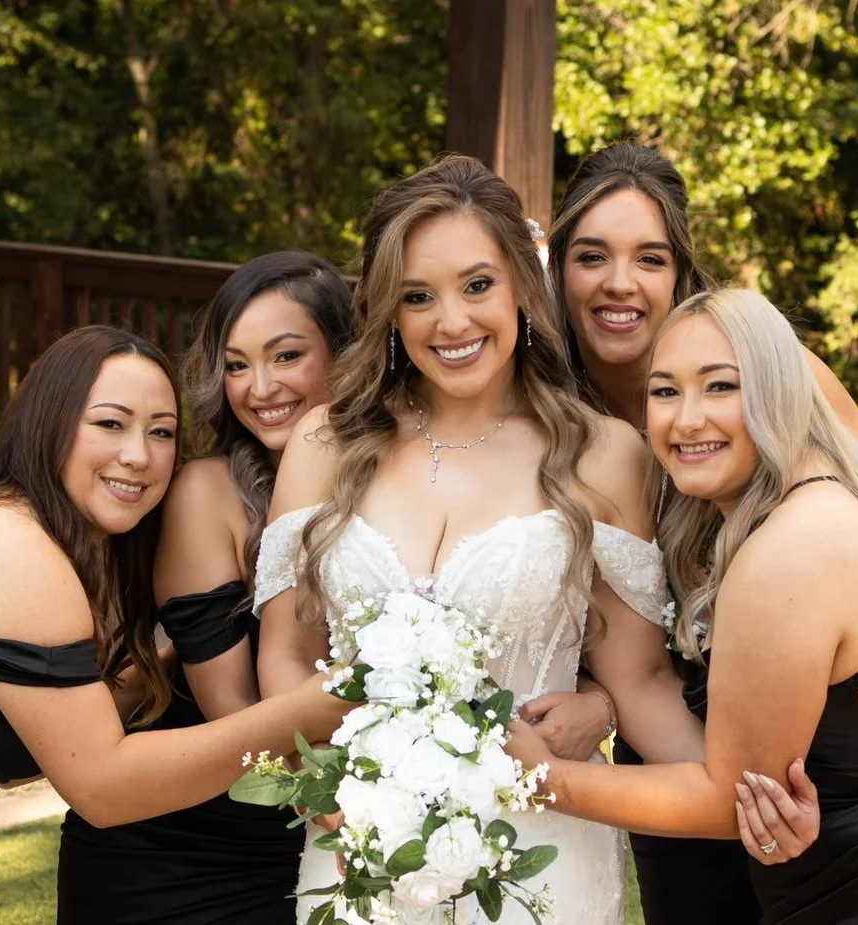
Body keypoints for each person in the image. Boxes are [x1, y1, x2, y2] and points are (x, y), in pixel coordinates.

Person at [252, 156, 814, 925]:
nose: (451, 322)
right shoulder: (323, 441)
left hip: (538, 858)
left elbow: (641, 679)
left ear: (521, 283)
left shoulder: (604, 452)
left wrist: (742, 791)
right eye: (418, 297)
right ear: (388, 309)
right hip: (361, 849)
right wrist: (320, 781)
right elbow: (285, 652)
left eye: (477, 285)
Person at [531, 140, 858, 925]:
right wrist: (605, 701)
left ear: (679, 272)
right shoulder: (542, 419)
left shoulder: (778, 377)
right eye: (590, 255)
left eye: (649, 257)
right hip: (670, 759)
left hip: (825, 763)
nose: (618, 282)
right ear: (557, 269)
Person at [0, 326, 352, 925]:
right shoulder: (10, 546)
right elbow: (104, 788)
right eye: (110, 423)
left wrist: (196, 652)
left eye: (161, 431)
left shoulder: (31, 536)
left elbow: (59, 715)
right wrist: (314, 705)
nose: (139, 454)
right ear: (48, 423)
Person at [56, 256, 355, 924]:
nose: (260, 386)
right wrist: (349, 810)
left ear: (344, 353)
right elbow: (237, 718)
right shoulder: (206, 492)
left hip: (304, 838)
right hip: (177, 845)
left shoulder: (399, 483)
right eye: (238, 363)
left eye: (286, 355)